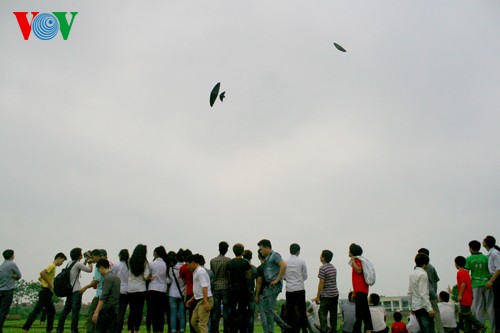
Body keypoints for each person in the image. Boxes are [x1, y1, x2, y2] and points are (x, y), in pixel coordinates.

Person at [22, 252, 67, 333]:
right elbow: (42, 273)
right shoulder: (52, 266)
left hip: (47, 292)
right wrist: (49, 284)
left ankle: (48, 330)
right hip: (45, 292)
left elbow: (40, 278)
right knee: (37, 310)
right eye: (62, 261)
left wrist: (45, 283)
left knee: (51, 311)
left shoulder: (53, 267)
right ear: (59, 258)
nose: (62, 263)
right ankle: (26, 329)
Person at [56, 248, 93, 333]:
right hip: (76, 291)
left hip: (69, 291)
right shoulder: (77, 264)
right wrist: (90, 261)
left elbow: (79, 268)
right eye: (81, 253)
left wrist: (85, 261)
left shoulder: (70, 263)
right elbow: (90, 270)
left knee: (65, 311)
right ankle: (74, 330)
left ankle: (59, 329)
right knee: (75, 312)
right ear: (79, 255)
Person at [257, 239, 287, 333]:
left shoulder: (275, 255)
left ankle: (271, 330)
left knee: (268, 310)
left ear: (267, 247)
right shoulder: (267, 258)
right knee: (268, 309)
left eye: (261, 249)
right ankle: (283, 326)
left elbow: (284, 265)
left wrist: (277, 279)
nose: (260, 251)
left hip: (274, 285)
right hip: (270, 286)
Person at [465, 240, 494, 329]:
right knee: (490, 306)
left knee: (478, 307)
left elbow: (466, 273)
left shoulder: (469, 259)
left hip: (476, 285)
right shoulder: (486, 258)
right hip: (488, 284)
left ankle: (480, 328)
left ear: (470, 248)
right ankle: (494, 328)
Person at [455, 256, 486, 333]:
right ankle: (467, 330)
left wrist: (460, 295)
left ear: (456, 264)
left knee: (466, 314)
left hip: (464, 297)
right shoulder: (466, 272)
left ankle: (481, 326)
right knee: (466, 316)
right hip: (469, 296)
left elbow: (463, 283)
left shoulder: (460, 272)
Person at [418, 248, 444, 333]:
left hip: (423, 295)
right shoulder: (432, 267)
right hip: (432, 294)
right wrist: (435, 293)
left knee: (424, 316)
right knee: (436, 314)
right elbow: (435, 282)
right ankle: (440, 330)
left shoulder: (417, 268)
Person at [186, 254, 213, 333]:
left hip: (205, 299)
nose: (187, 267)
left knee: (202, 324)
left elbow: (205, 287)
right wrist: (191, 299)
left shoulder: (200, 272)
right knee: (193, 321)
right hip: (200, 299)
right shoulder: (196, 271)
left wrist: (205, 302)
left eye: (188, 264)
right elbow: (199, 289)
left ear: (193, 262)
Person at [227, 243, 251, 333]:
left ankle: (233, 329)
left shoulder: (230, 263)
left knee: (232, 311)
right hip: (243, 290)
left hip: (233, 290)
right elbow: (248, 276)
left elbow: (228, 277)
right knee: (243, 311)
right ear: (242, 252)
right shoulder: (245, 262)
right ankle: (243, 329)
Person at [408, 253, 435, 333]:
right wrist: (429, 309)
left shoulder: (412, 274)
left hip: (416, 307)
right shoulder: (423, 274)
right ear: (425, 264)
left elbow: (410, 292)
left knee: (422, 329)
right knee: (429, 330)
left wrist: (411, 306)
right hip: (423, 307)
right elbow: (423, 293)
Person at [92, 259, 121, 333]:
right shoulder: (117, 278)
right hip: (115, 310)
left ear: (101, 267)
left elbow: (103, 297)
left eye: (98, 269)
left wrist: (96, 312)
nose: (99, 272)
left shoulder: (108, 278)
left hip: (106, 310)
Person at [349, 243, 372, 333]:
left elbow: (359, 270)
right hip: (360, 290)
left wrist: (353, 260)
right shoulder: (359, 260)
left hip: (361, 290)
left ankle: (358, 330)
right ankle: (368, 329)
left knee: (359, 313)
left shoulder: (358, 260)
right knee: (364, 311)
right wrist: (354, 292)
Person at [285, 243, 308, 333]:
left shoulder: (285, 261)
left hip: (289, 289)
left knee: (290, 311)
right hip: (299, 288)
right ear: (298, 251)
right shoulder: (302, 261)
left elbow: (283, 276)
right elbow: (305, 276)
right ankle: (304, 327)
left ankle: (290, 328)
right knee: (302, 309)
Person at [81, 249, 106, 333]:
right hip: (105, 294)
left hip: (100, 295)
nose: (91, 259)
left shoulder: (98, 265)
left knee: (92, 315)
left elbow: (96, 280)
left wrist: (85, 287)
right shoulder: (107, 264)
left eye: (92, 257)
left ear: (97, 256)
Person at [127, 244, 151, 333]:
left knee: (132, 311)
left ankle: (130, 330)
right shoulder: (145, 262)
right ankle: (136, 330)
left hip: (131, 289)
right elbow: (145, 277)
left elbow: (128, 274)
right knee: (139, 311)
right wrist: (150, 278)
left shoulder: (130, 261)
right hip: (141, 289)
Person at [315, 249, 338, 333]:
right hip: (334, 294)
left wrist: (318, 296)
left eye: (321, 255)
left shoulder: (322, 268)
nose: (320, 257)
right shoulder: (333, 268)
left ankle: (323, 330)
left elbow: (321, 283)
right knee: (333, 315)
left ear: (323, 258)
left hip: (326, 295)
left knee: (322, 313)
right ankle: (333, 330)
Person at [210, 242, 231, 333]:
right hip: (225, 286)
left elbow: (212, 275)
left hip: (216, 287)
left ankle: (215, 329)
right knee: (226, 310)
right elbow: (229, 275)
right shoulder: (228, 260)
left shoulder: (212, 261)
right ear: (226, 249)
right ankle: (226, 329)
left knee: (216, 311)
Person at [0, 249, 22, 333]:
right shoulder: (12, 264)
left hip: (0, 290)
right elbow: (19, 275)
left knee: (0, 310)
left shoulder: (1, 266)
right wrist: (14, 276)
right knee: (3, 312)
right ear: (12, 256)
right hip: (8, 291)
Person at [149, 246, 169, 333]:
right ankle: (161, 329)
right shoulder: (166, 264)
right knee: (161, 312)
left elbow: (147, 274)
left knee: (154, 312)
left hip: (153, 289)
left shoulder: (152, 264)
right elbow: (168, 279)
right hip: (162, 290)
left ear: (156, 253)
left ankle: (155, 330)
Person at [483, 235, 500, 333]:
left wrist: (491, 280)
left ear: (486, 243)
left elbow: (499, 268)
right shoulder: (490, 253)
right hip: (495, 278)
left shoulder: (494, 253)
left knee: (497, 305)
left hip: (497, 279)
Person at [169, 249, 186, 333]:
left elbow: (168, 281)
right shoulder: (186, 268)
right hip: (182, 294)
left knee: (173, 314)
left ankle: (173, 330)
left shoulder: (172, 268)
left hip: (172, 293)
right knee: (182, 315)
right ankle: (182, 330)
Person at [114, 249, 130, 333]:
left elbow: (113, 276)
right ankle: (119, 328)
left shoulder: (117, 264)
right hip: (127, 290)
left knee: (116, 311)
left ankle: (115, 328)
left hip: (118, 290)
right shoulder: (129, 266)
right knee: (122, 312)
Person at [243, 249, 257, 333]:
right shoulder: (254, 269)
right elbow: (258, 282)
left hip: (242, 294)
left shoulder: (241, 268)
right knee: (251, 315)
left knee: (242, 314)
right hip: (251, 293)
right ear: (251, 257)